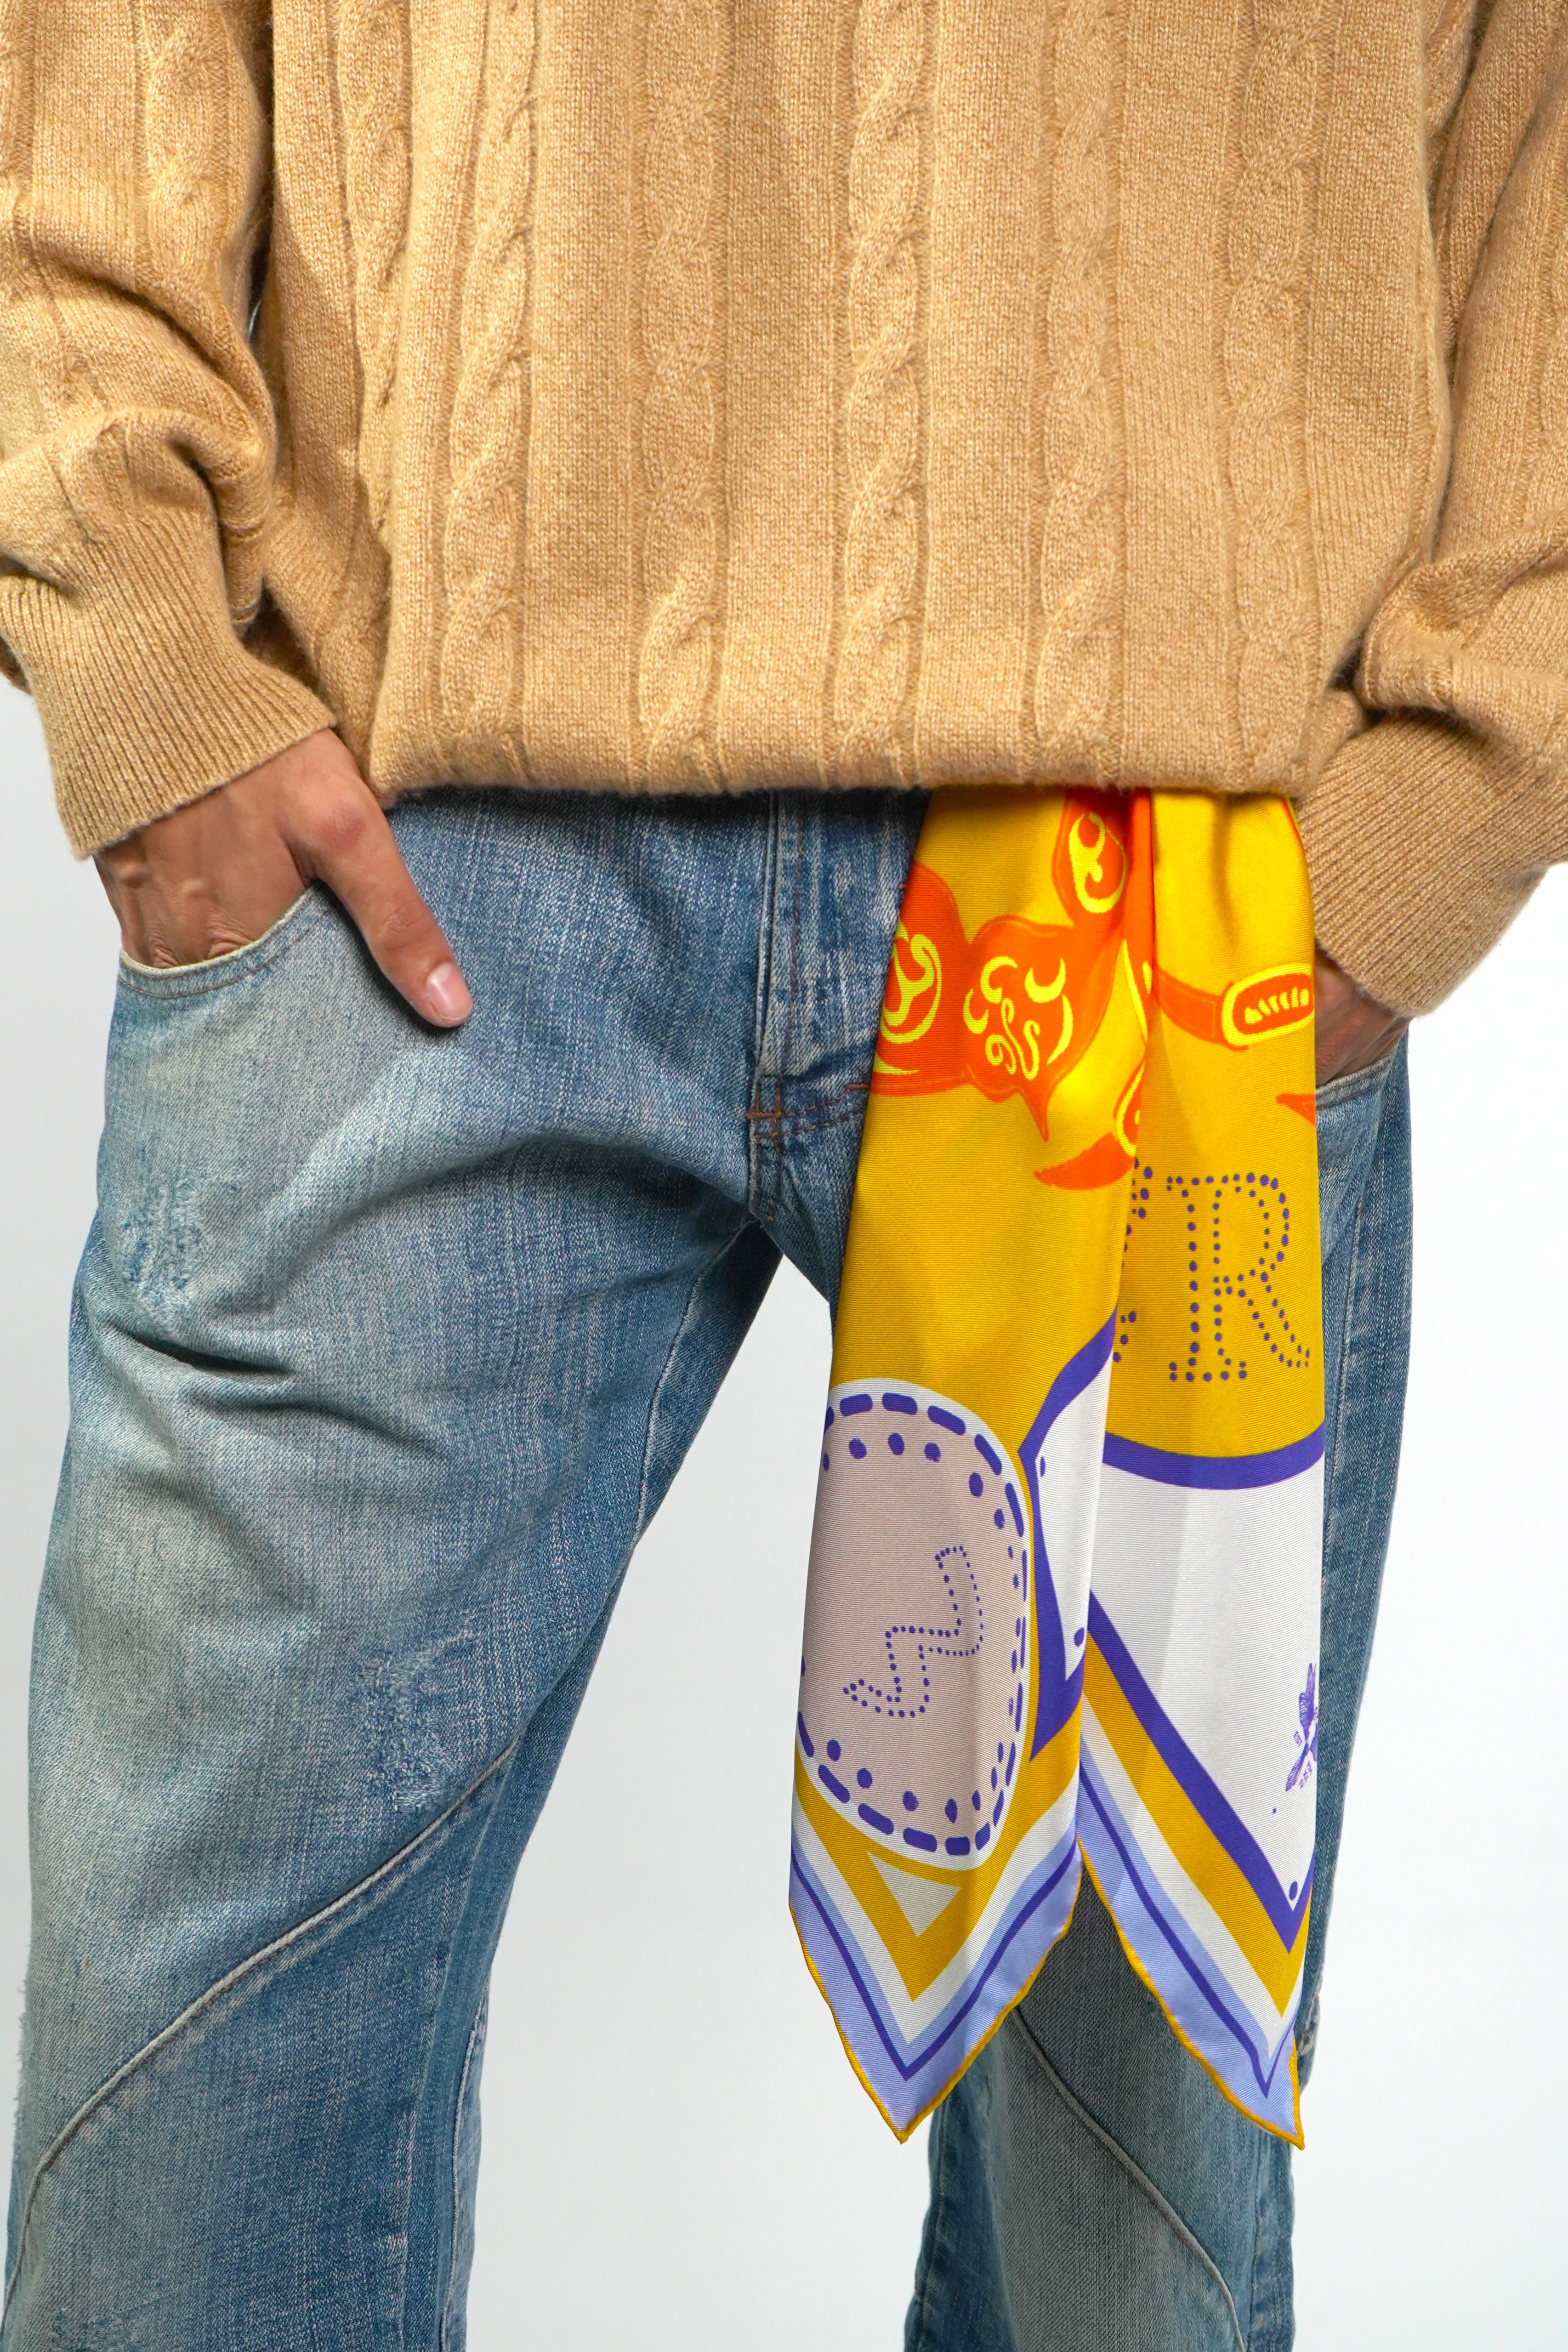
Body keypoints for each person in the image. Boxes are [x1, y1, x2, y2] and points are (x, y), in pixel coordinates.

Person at [0, 2, 1563, 2344]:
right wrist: (142, 649)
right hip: (422, 832)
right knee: (180, 2147)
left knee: (1134, 2225)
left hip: (1167, 905)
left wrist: (1451, 793)